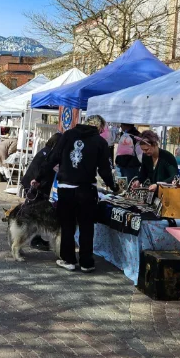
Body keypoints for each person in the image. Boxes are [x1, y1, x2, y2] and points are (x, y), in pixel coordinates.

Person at [49, 114, 117, 273]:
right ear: (100, 128)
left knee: (67, 226)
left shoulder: (68, 135)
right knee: (87, 227)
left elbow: (54, 157)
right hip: (87, 190)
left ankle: (69, 260)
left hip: (66, 188)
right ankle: (87, 263)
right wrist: (113, 187)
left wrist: (38, 178)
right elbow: (105, 170)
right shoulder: (100, 142)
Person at [21, 132, 63, 252]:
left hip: (37, 185)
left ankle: (36, 237)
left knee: (37, 212)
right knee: (35, 213)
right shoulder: (48, 153)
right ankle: (34, 240)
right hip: (35, 185)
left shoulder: (46, 151)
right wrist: (37, 182)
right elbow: (41, 170)